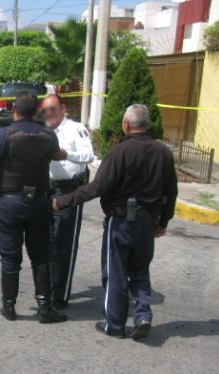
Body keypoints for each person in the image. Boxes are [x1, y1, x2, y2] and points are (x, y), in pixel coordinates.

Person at [52, 104, 178, 340]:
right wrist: (163, 222)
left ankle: (115, 324)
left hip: (121, 221)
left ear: (126, 125)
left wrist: (63, 201)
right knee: (140, 270)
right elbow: (171, 191)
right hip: (148, 223)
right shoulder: (163, 153)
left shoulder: (120, 152)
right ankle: (142, 315)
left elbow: (98, 187)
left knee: (115, 272)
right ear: (147, 125)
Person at [0, 93, 68, 323]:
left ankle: (9, 306)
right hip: (39, 204)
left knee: (10, 257)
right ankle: (45, 307)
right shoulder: (48, 135)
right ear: (36, 110)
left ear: (14, 108)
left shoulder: (2, 136)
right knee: (40, 256)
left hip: (10, 203)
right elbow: (57, 155)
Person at [39, 94, 95, 309]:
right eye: (44, 110)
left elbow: (88, 155)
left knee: (64, 242)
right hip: (45, 190)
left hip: (68, 190)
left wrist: (65, 155)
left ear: (63, 108)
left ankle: (60, 294)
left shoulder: (76, 128)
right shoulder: (43, 130)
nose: (49, 114)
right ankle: (47, 288)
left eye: (52, 109)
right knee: (45, 242)